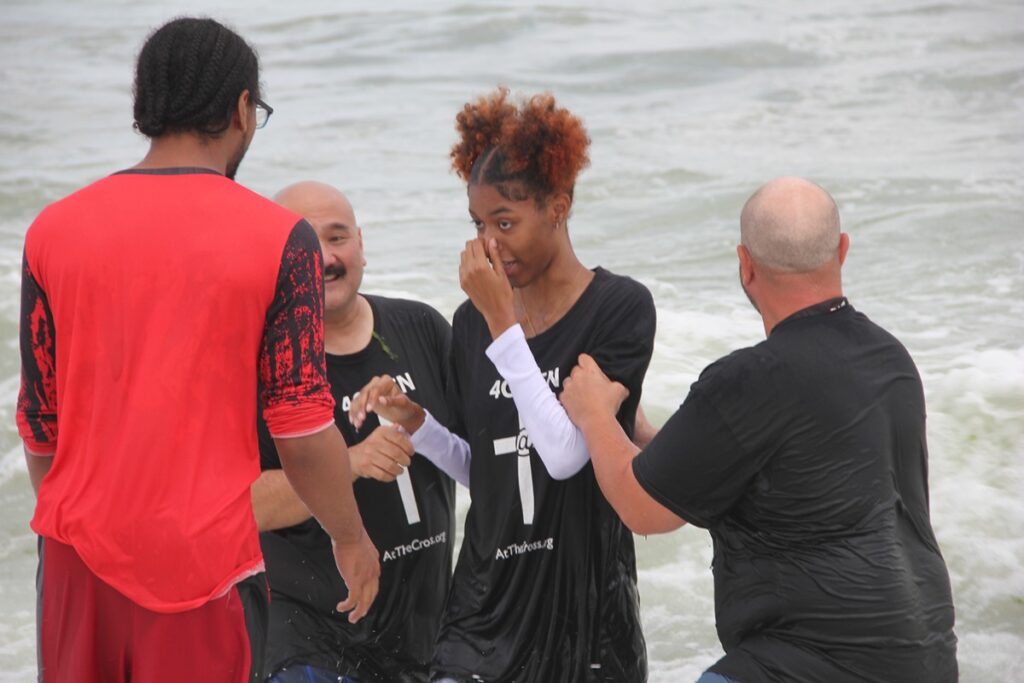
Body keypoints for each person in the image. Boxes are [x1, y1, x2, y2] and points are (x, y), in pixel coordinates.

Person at [17, 18, 378, 682]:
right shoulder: (279, 239)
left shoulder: (52, 230)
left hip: (73, 558)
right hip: (202, 566)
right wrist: (350, 535)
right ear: (242, 108)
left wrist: (87, 522)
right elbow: (299, 428)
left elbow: (41, 422)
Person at [560, 177, 959, 682]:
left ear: (745, 265)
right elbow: (776, 478)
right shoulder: (890, 360)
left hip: (817, 661)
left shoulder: (751, 379)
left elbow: (642, 508)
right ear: (842, 250)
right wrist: (634, 433)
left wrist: (593, 414)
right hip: (927, 654)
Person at [351, 88, 655, 682]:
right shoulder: (471, 322)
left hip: (583, 610)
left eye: (506, 222)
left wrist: (502, 324)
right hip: (482, 611)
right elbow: (484, 470)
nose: (489, 244)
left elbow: (565, 456)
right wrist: (417, 422)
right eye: (479, 224)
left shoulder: (619, 308)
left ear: (558, 208)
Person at [251, 181, 459, 683]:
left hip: (427, 636)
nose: (323, 257)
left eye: (337, 237)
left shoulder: (422, 328)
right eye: (303, 243)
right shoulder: (261, 362)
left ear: (361, 243)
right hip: (311, 641)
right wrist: (349, 463)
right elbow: (242, 505)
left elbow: (485, 454)